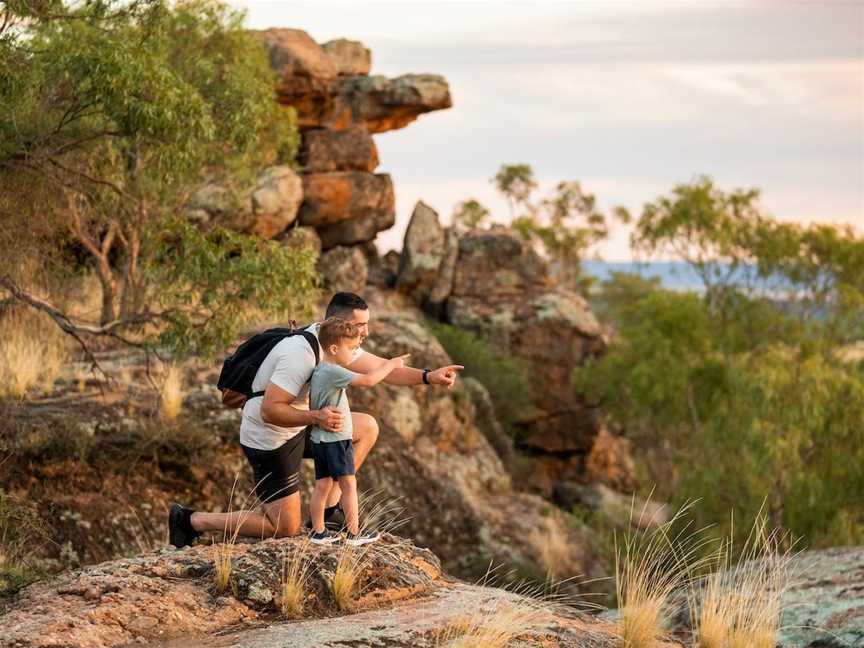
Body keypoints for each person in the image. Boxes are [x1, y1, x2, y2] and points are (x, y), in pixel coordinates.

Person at [168, 292, 463, 547]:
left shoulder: (337, 341)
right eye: (361, 326)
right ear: (341, 324)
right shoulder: (300, 353)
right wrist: (316, 416)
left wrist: (428, 377)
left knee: (366, 427)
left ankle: (331, 509)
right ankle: (191, 521)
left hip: (304, 425)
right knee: (284, 529)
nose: (366, 333)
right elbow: (270, 410)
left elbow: (384, 370)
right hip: (270, 437)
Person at [307, 317, 408, 545]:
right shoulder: (333, 371)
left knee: (322, 485)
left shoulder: (319, 370)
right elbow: (369, 380)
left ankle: (318, 532)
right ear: (334, 348)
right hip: (336, 439)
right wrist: (391, 364)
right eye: (351, 349)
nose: (354, 354)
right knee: (349, 485)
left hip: (319, 440)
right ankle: (354, 533)